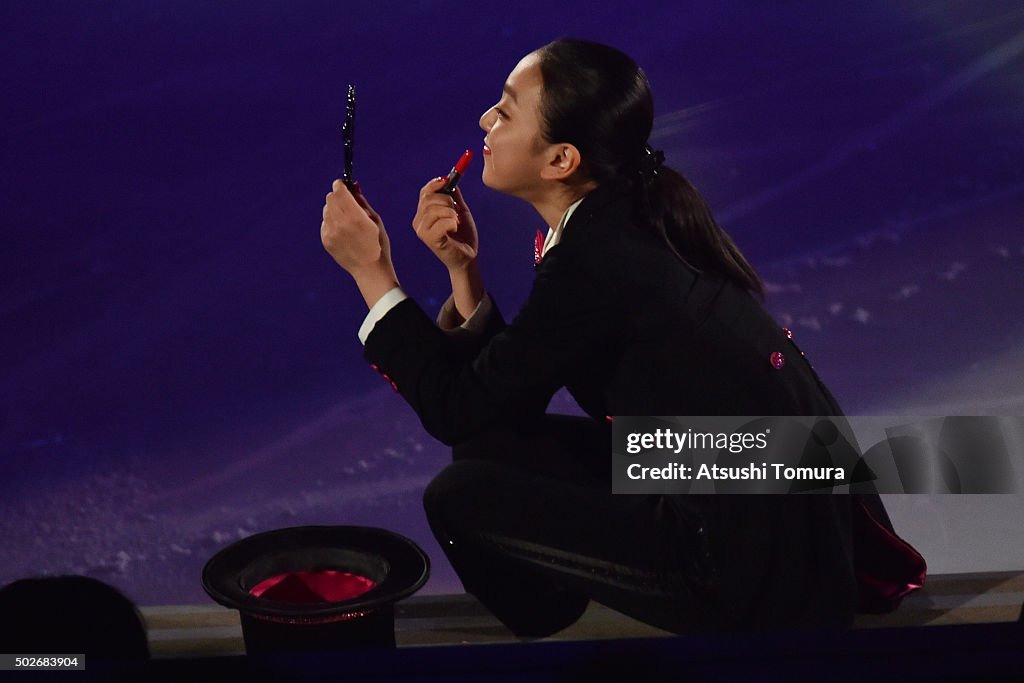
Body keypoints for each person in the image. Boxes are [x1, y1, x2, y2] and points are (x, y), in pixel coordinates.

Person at [320, 39, 924, 636]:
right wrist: (464, 270)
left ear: (561, 160)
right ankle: (564, 591)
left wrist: (371, 273)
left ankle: (546, 617)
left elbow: (456, 409)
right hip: (761, 504)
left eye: (505, 110)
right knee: (495, 448)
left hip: (753, 570)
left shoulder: (597, 258)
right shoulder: (624, 215)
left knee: (458, 494)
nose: (485, 120)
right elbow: (498, 405)